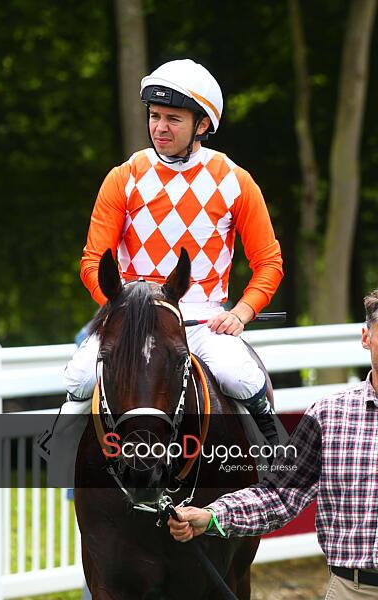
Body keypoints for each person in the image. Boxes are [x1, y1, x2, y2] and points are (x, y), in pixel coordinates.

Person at [64, 58, 283, 445]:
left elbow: (269, 262)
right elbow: (92, 261)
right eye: (154, 116)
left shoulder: (236, 181)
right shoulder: (123, 177)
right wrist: (121, 308)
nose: (160, 127)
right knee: (79, 378)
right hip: (131, 318)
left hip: (203, 323)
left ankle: (276, 452)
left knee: (240, 376)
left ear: (203, 124)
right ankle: (56, 458)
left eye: (173, 119)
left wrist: (241, 312)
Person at [168, 289, 378, 599]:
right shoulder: (329, 415)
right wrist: (211, 517)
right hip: (352, 589)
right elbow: (279, 495)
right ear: (366, 338)